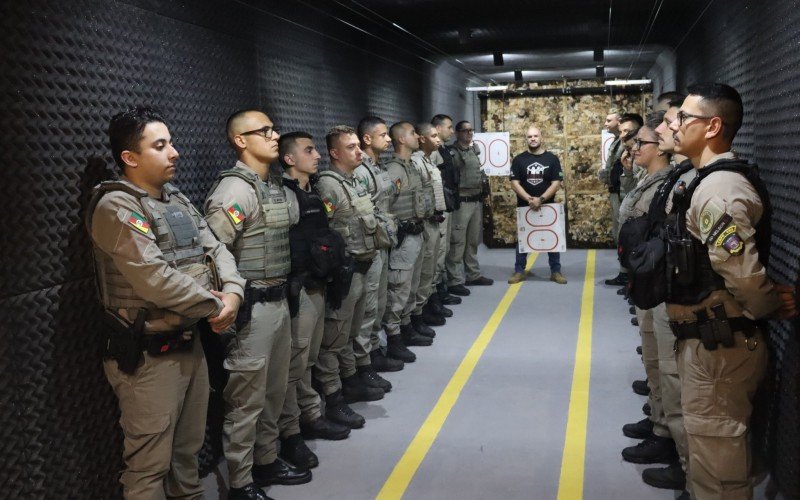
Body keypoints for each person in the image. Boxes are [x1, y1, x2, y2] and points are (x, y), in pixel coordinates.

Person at [86, 106, 245, 499]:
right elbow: (155, 278)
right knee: (148, 466)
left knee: (187, 455)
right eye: (160, 145)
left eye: (171, 142)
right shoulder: (116, 207)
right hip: (147, 358)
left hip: (187, 344)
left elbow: (217, 248)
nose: (174, 152)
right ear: (130, 157)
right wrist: (215, 308)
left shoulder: (176, 199)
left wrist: (234, 292)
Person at [666, 82, 796, 499]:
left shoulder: (719, 190)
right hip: (709, 341)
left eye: (685, 117)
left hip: (720, 347)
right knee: (711, 458)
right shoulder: (705, 180)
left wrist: (770, 304)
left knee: (720, 473)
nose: (676, 124)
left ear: (712, 126)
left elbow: (741, 273)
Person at [204, 109, 311, 496]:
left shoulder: (271, 186)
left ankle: (265, 461)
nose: (273, 135)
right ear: (240, 140)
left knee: (273, 392)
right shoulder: (235, 191)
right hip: (252, 309)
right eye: (263, 130)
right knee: (246, 400)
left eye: (273, 129)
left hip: (278, 301)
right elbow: (212, 253)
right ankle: (241, 483)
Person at [277, 132, 352, 470]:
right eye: (308, 151)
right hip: (301, 289)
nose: (318, 156)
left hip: (320, 284)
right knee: (295, 364)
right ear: (290, 159)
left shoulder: (313, 192)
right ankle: (292, 432)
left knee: (309, 359)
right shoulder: (285, 195)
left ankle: (311, 414)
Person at [618, 113, 681, 472]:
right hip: (647, 278)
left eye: (641, 142)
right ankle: (661, 427)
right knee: (655, 364)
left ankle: (670, 439)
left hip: (659, 282)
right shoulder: (653, 179)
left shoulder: (669, 182)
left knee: (668, 370)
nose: (635, 147)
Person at [315, 125, 384, 427]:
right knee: (334, 339)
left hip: (362, 266)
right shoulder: (328, 186)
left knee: (351, 333)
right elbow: (326, 231)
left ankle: (351, 379)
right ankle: (334, 397)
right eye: (351, 147)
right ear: (334, 153)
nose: (359, 152)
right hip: (345, 273)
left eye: (359, 145)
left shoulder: (353, 181)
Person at [353, 117, 412, 367]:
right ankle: (365, 360)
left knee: (379, 303)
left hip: (384, 241)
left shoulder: (378, 168)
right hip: (370, 245)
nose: (388, 139)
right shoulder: (360, 172)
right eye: (383, 135)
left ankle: (375, 350)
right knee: (368, 306)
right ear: (367, 139)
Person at [383, 121, 435, 352]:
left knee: (412, 285)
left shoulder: (410, 166)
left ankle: (407, 324)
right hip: (404, 238)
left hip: (417, 231)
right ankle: (394, 336)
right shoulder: (393, 171)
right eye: (413, 133)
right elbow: (384, 207)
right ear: (402, 139)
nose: (417, 137)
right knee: (400, 288)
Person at [507, 125, 566, 285]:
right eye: (529, 136)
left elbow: (556, 183)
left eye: (535, 136)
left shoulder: (552, 159)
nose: (533, 139)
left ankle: (555, 271)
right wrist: (529, 199)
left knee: (552, 238)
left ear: (541, 138)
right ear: (526, 139)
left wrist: (541, 199)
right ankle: (519, 270)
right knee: (522, 239)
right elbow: (514, 183)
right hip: (525, 207)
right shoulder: (519, 160)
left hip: (547, 206)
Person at [445, 120, 493, 296]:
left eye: (471, 130)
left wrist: (485, 192)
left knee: (472, 241)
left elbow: (479, 174)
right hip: (461, 203)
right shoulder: (453, 153)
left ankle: (473, 274)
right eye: (465, 131)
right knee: (458, 242)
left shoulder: (473, 150)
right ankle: (455, 280)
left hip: (475, 201)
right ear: (457, 133)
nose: (469, 133)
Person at [412, 122, 451, 327]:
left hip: (434, 219)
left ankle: (425, 306)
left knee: (431, 267)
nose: (438, 139)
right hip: (426, 222)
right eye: (433, 136)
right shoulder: (416, 162)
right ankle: (419, 312)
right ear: (422, 138)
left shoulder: (428, 161)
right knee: (424, 270)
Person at [603, 112, 642, 286]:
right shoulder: (618, 142)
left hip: (629, 194)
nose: (623, 135)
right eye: (622, 131)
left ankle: (631, 276)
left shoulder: (637, 150)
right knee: (620, 235)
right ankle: (626, 274)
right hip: (620, 192)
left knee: (629, 237)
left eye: (627, 131)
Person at [430, 114, 462, 306]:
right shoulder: (434, 153)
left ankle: (440, 290)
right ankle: (435, 295)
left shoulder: (443, 149)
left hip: (446, 205)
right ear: (438, 128)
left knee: (444, 249)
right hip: (439, 209)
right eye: (449, 127)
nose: (452, 131)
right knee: (439, 252)